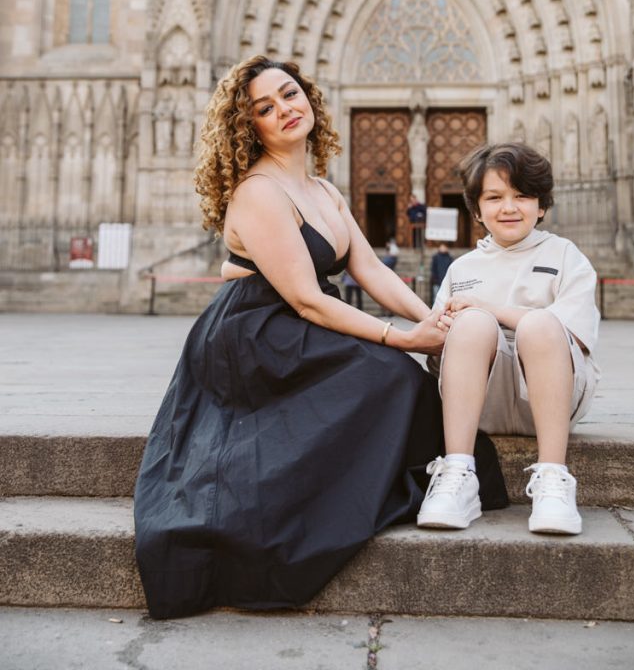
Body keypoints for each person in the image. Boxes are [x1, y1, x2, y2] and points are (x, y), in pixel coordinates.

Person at [134, 56, 508, 620]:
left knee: (392, 378)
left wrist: (436, 320)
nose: (284, 109)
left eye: (289, 94)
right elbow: (308, 297)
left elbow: (371, 271)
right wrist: (404, 340)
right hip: (255, 334)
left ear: (308, 96)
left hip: (296, 324)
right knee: (387, 375)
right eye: (265, 107)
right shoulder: (259, 191)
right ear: (249, 126)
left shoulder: (322, 190)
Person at [418, 142, 600, 537]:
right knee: (472, 324)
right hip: (481, 403)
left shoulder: (567, 256)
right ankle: (459, 472)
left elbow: (574, 336)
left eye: (522, 195)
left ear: (542, 206)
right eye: (495, 197)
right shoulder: (461, 268)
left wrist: (489, 307)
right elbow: (440, 346)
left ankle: (553, 478)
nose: (509, 207)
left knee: (539, 324)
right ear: (477, 210)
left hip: (554, 398)